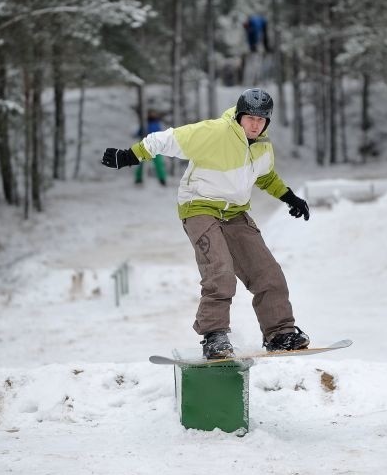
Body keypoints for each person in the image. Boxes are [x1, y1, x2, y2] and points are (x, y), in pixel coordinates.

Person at [101, 88, 310, 359]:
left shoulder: (262, 147)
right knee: (220, 271)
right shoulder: (214, 133)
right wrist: (129, 156)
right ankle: (215, 335)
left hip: (235, 213)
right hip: (199, 208)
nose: (255, 125)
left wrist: (290, 197)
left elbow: (265, 177)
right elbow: (164, 139)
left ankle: (279, 333)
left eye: (261, 120)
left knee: (268, 273)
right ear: (239, 116)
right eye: (250, 118)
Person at [134, 110, 167, 186]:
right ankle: (138, 179)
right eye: (151, 114)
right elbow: (139, 133)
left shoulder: (157, 124)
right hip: (145, 146)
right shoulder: (145, 124)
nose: (152, 115)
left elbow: (161, 135)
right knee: (141, 164)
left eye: (153, 114)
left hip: (155, 147)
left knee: (159, 164)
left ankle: (162, 180)